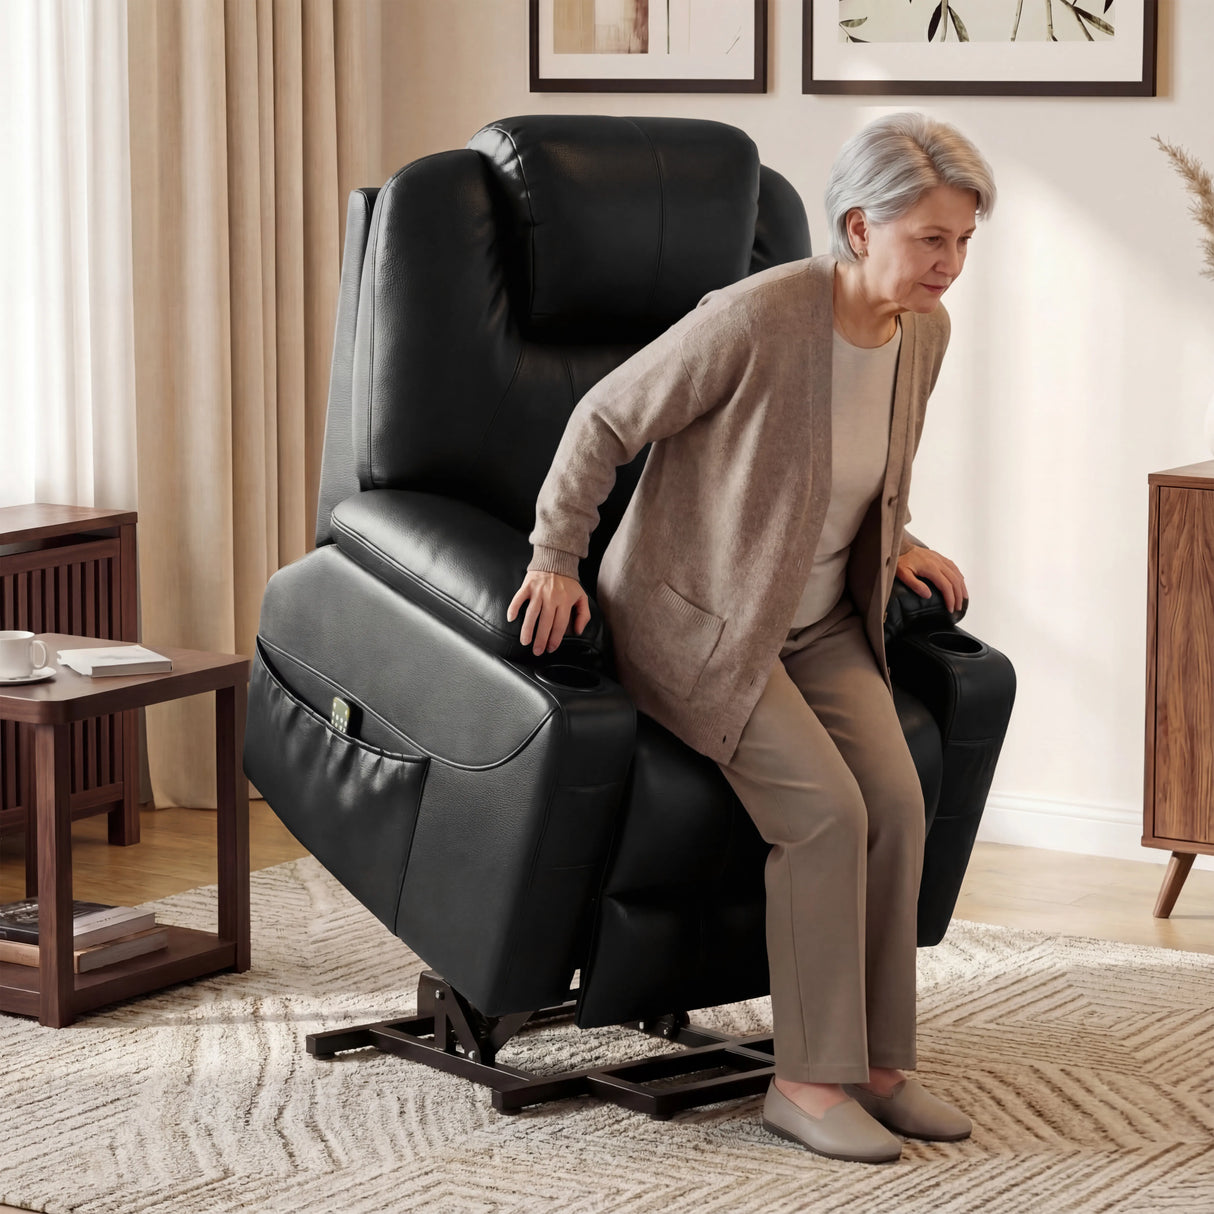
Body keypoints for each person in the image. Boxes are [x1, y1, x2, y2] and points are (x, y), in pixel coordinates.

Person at [506, 113, 994, 1164]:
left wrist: (896, 534)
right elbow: (602, 415)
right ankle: (806, 1080)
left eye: (961, 240)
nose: (949, 265)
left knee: (899, 800)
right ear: (860, 227)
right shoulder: (756, 316)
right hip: (700, 621)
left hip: (815, 617)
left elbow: (840, 466)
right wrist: (556, 554)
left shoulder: (924, 332)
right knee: (820, 814)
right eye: (930, 240)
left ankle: (874, 1063)